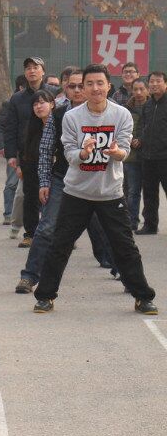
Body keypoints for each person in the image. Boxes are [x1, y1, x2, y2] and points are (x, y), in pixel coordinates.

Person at [33, 64, 157, 315]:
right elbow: (68, 153)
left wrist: (116, 152)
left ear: (108, 86)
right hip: (76, 193)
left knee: (125, 247)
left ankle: (143, 297)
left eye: (100, 83)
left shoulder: (121, 114)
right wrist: (83, 153)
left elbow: (125, 151)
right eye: (89, 84)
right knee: (60, 245)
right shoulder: (71, 117)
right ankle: (45, 296)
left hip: (110, 193)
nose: (95, 88)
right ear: (83, 88)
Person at [14, 78, 115, 293]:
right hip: (63, 178)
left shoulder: (107, 112)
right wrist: (44, 182)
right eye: (72, 86)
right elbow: (46, 150)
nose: (77, 90)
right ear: (65, 89)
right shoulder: (58, 114)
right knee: (46, 228)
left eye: (81, 86)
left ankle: (122, 271)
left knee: (106, 227)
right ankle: (29, 276)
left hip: (95, 178)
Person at [3, 56, 46, 245]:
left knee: (54, 195)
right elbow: (10, 128)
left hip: (51, 154)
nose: (32, 70)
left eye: (36, 67)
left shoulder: (53, 95)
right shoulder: (17, 99)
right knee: (30, 195)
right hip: (28, 155)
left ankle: (55, 232)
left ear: (43, 71)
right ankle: (30, 234)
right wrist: (12, 155)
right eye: (28, 67)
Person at [0, 75, 28, 226]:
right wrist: (2, 146)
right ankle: (8, 213)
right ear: (21, 87)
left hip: (32, 149)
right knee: (12, 183)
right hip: (15, 149)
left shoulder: (38, 101)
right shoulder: (10, 103)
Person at [137, 71, 167, 235]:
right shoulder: (147, 105)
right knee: (149, 193)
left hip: (165, 157)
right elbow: (143, 126)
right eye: (152, 81)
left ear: (165, 83)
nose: (154, 84)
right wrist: (141, 140)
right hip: (147, 157)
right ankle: (150, 225)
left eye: (158, 81)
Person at [124, 79, 148, 230]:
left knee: (149, 192)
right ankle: (131, 221)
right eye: (135, 89)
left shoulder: (152, 107)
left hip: (149, 156)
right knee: (132, 191)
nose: (138, 92)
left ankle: (149, 221)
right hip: (130, 157)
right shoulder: (126, 109)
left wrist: (141, 140)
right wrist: (131, 139)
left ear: (147, 90)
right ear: (131, 91)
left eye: (141, 89)